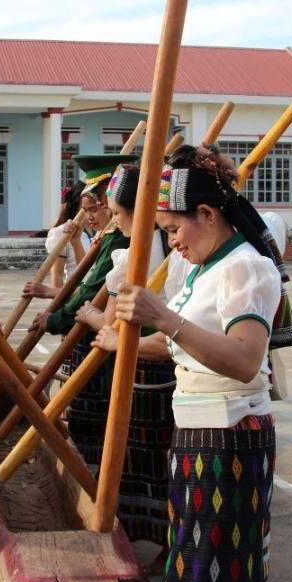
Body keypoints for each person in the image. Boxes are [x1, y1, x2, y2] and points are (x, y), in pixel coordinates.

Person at [98, 146, 282, 582]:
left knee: (216, 578)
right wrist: (128, 344)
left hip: (231, 437)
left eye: (175, 229)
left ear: (206, 212)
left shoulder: (245, 267)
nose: (173, 242)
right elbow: (188, 346)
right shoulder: (205, 268)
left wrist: (162, 317)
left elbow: (243, 360)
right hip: (198, 433)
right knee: (193, 567)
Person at [82, 163, 175, 549]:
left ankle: (151, 539)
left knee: (142, 458)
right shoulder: (166, 247)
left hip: (143, 368)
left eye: (118, 214)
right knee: (157, 460)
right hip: (164, 371)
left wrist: (89, 315)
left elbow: (110, 322)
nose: (114, 223)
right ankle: (162, 540)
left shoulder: (138, 254)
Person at [28, 154, 133, 465]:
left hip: (102, 338)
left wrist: (57, 318)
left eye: (95, 210)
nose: (89, 217)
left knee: (100, 426)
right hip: (88, 328)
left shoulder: (118, 241)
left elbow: (90, 291)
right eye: (85, 211)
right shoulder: (108, 236)